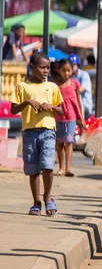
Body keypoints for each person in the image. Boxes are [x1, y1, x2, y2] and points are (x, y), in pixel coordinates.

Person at [10, 52, 63, 216]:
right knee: (33, 169)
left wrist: (51, 107)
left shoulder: (53, 87)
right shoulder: (22, 87)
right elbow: (13, 109)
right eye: (42, 67)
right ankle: (36, 202)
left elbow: (61, 110)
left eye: (48, 67)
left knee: (47, 165)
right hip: (29, 132)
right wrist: (27, 102)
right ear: (32, 67)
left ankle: (47, 197)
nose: (46, 70)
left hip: (48, 130)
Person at [54, 58, 85, 177]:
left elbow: (78, 100)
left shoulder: (75, 84)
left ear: (72, 70)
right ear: (59, 71)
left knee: (69, 141)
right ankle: (61, 168)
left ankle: (68, 168)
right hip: (59, 117)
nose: (66, 73)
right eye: (63, 70)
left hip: (71, 116)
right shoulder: (56, 86)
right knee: (60, 143)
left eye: (68, 70)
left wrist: (80, 117)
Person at [69, 54, 94, 119]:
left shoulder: (84, 74)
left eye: (73, 65)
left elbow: (80, 89)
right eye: (70, 65)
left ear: (77, 65)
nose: (71, 67)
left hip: (85, 106)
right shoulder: (70, 76)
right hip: (74, 105)